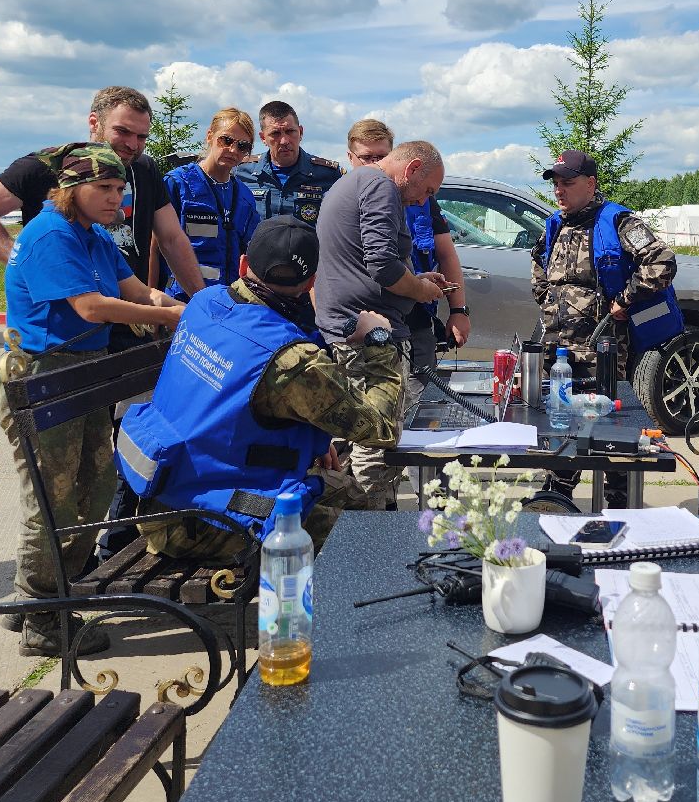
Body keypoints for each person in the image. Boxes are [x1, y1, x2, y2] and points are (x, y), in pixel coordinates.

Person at [114, 217, 404, 557]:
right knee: (367, 534)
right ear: (311, 281)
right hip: (202, 522)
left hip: (167, 494)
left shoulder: (205, 303)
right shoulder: (291, 358)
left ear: (244, 264)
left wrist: (310, 436)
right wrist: (379, 341)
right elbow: (381, 429)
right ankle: (309, 609)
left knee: (353, 494)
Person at [0, 142, 185, 657]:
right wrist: (173, 320)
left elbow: (138, 290)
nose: (116, 200)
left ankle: (33, 597)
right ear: (69, 188)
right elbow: (92, 308)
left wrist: (189, 307)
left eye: (120, 189)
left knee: (95, 490)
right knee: (52, 501)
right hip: (42, 375)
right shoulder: (51, 233)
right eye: (104, 188)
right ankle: (43, 620)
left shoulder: (94, 235)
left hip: (81, 374)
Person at [0, 85, 207, 305]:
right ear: (94, 122)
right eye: (123, 131)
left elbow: (172, 238)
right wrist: (25, 262)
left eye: (142, 136)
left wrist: (201, 303)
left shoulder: (144, 168)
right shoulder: (49, 165)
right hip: (64, 325)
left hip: (130, 317)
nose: (133, 144)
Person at [532, 148, 680, 508]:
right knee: (561, 432)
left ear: (591, 183)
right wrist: (545, 298)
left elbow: (662, 261)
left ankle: (618, 511)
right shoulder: (557, 224)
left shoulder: (617, 223)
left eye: (567, 183)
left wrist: (625, 299)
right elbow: (538, 262)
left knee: (612, 438)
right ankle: (555, 504)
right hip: (559, 355)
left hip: (602, 357)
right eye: (556, 184)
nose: (559, 191)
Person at [314, 140, 448, 511]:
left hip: (351, 328)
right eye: (427, 190)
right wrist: (420, 290)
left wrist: (419, 279)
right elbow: (383, 267)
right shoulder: (380, 186)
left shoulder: (355, 182)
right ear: (412, 168)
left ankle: (354, 526)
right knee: (376, 443)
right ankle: (370, 535)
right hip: (368, 338)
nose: (423, 200)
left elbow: (368, 259)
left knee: (357, 438)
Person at [346, 119, 471, 506]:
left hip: (414, 325)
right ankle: (369, 512)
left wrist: (459, 309)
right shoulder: (348, 196)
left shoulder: (418, 195)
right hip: (365, 328)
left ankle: (431, 510)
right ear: (351, 159)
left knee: (421, 418)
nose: (376, 165)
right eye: (367, 158)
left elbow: (447, 253)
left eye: (383, 156)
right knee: (365, 427)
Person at [160, 107, 262, 300]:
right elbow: (155, 245)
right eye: (226, 140)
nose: (233, 150)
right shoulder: (178, 183)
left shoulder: (245, 197)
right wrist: (154, 303)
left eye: (242, 146)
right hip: (182, 301)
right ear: (209, 136)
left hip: (229, 302)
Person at [234, 100, 344, 224]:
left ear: (301, 132)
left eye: (290, 131)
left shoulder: (330, 175)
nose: (284, 141)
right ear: (263, 138)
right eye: (275, 133)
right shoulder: (241, 172)